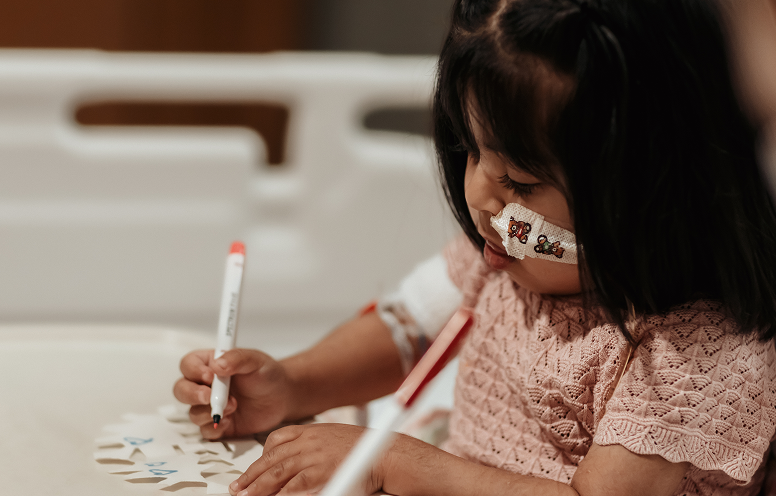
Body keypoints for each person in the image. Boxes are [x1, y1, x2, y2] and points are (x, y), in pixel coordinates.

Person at [174, 1, 776, 495]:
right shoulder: (512, 254)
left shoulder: (693, 353)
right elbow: (408, 330)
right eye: (468, 149)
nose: (480, 197)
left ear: (653, 194)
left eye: (521, 182)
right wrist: (291, 384)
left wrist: (398, 462)